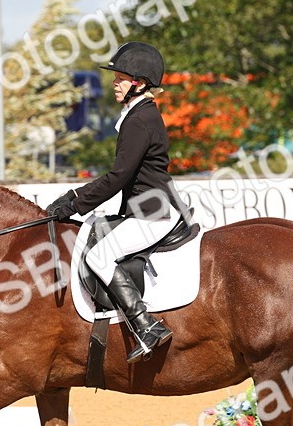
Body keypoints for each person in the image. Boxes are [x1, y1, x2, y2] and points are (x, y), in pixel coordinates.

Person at [46, 42, 187, 364]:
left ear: (138, 82)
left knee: (99, 255)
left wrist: (73, 202)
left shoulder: (139, 120)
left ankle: (146, 325)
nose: (114, 83)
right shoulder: (139, 115)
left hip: (154, 214)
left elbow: (119, 176)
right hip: (148, 208)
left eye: (121, 77)